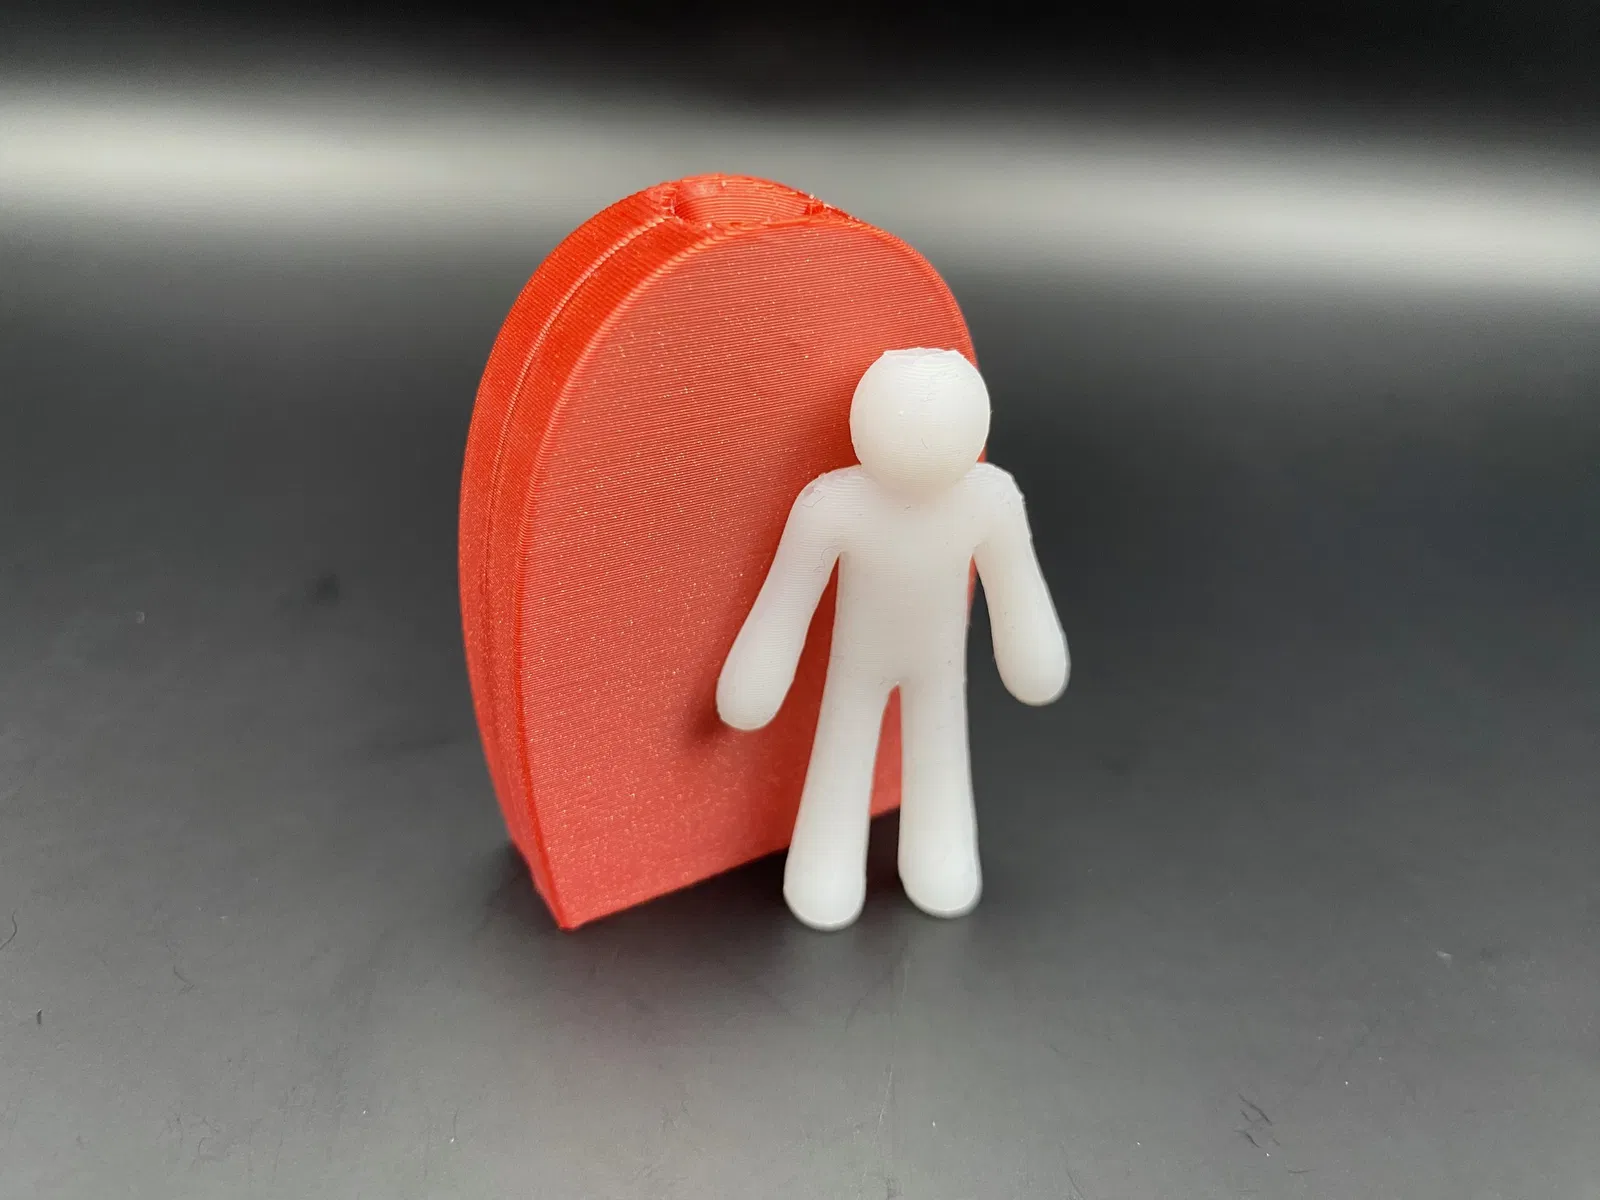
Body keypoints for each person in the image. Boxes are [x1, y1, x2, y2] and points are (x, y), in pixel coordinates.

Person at [717, 347, 1069, 930]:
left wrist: (1032, 654)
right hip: (860, 665)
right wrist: (758, 676)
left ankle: (940, 858)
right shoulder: (835, 504)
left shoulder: (988, 500)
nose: (923, 443)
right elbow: (787, 599)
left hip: (936, 664)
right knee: (844, 745)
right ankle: (825, 866)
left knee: (940, 747)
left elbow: (1017, 585)